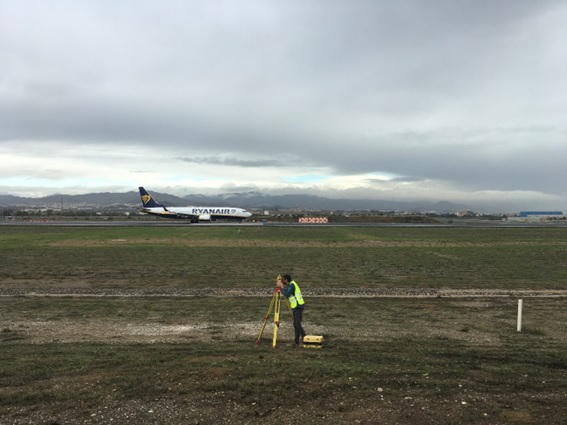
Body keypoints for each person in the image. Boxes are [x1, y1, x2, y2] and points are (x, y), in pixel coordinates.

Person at [277, 274, 306, 347]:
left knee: (297, 324)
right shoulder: (291, 285)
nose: (282, 281)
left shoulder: (292, 285)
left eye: (283, 280)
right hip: (295, 307)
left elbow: (286, 295)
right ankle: (297, 341)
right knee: (295, 324)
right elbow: (287, 292)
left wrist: (282, 288)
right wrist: (282, 288)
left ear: (286, 280)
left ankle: (303, 338)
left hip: (298, 306)